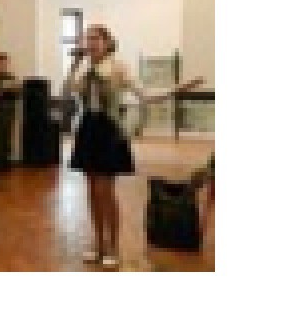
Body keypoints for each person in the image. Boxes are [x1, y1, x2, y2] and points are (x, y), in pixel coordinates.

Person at [64, 24, 203, 269]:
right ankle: (97, 244)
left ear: (108, 43)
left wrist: (177, 90)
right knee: (91, 190)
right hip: (88, 128)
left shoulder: (118, 67)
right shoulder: (84, 68)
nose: (90, 43)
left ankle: (113, 247)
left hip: (108, 129)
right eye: (87, 39)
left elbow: (145, 95)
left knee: (106, 191)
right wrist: (74, 65)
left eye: (95, 38)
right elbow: (67, 91)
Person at [0, 52, 19, 171]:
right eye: (1, 63)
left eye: (5, 63)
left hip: (9, 111)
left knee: (7, 136)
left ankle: (6, 160)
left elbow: (17, 95)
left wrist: (14, 90)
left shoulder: (12, 78)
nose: (3, 65)